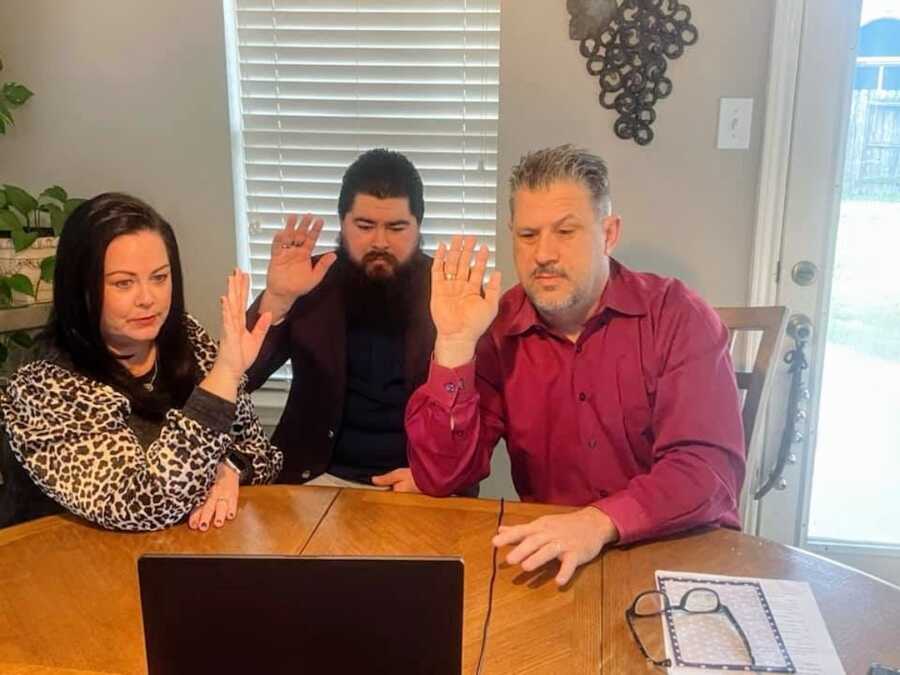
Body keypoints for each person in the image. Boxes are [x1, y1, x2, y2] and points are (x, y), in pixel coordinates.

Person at [406, 144, 745, 585]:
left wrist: (598, 521)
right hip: (558, 561)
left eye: (565, 232)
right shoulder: (495, 327)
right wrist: (453, 344)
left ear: (609, 233)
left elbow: (707, 470)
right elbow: (442, 479)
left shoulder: (677, 315)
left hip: (678, 551)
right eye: (527, 236)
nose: (543, 253)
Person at [0, 193, 282, 531]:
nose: (148, 299)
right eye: (123, 283)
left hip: (180, 552)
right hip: (62, 564)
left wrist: (232, 469)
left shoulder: (185, 336)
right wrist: (224, 374)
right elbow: (141, 504)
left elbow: (262, 453)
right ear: (81, 288)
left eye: (160, 278)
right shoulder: (41, 383)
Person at [245, 149, 444, 491]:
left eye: (396, 227)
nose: (380, 242)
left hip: (414, 484)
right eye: (365, 226)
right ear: (342, 223)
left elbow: (477, 413)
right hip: (311, 476)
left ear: (418, 226)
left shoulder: (449, 290)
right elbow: (241, 376)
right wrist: (278, 299)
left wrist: (435, 475)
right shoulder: (309, 279)